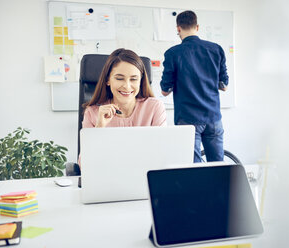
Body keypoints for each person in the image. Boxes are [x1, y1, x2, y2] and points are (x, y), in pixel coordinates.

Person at [160, 10, 228, 163]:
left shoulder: (173, 53)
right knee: (218, 166)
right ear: (197, 27)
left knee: (194, 168)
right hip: (213, 117)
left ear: (178, 29)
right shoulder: (216, 49)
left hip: (188, 119)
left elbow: (165, 91)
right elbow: (224, 86)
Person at [82, 48, 167, 128]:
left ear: (140, 81)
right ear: (108, 80)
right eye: (119, 78)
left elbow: (162, 143)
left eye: (133, 79)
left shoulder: (155, 108)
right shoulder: (92, 113)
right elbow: (89, 144)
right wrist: (100, 126)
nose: (127, 86)